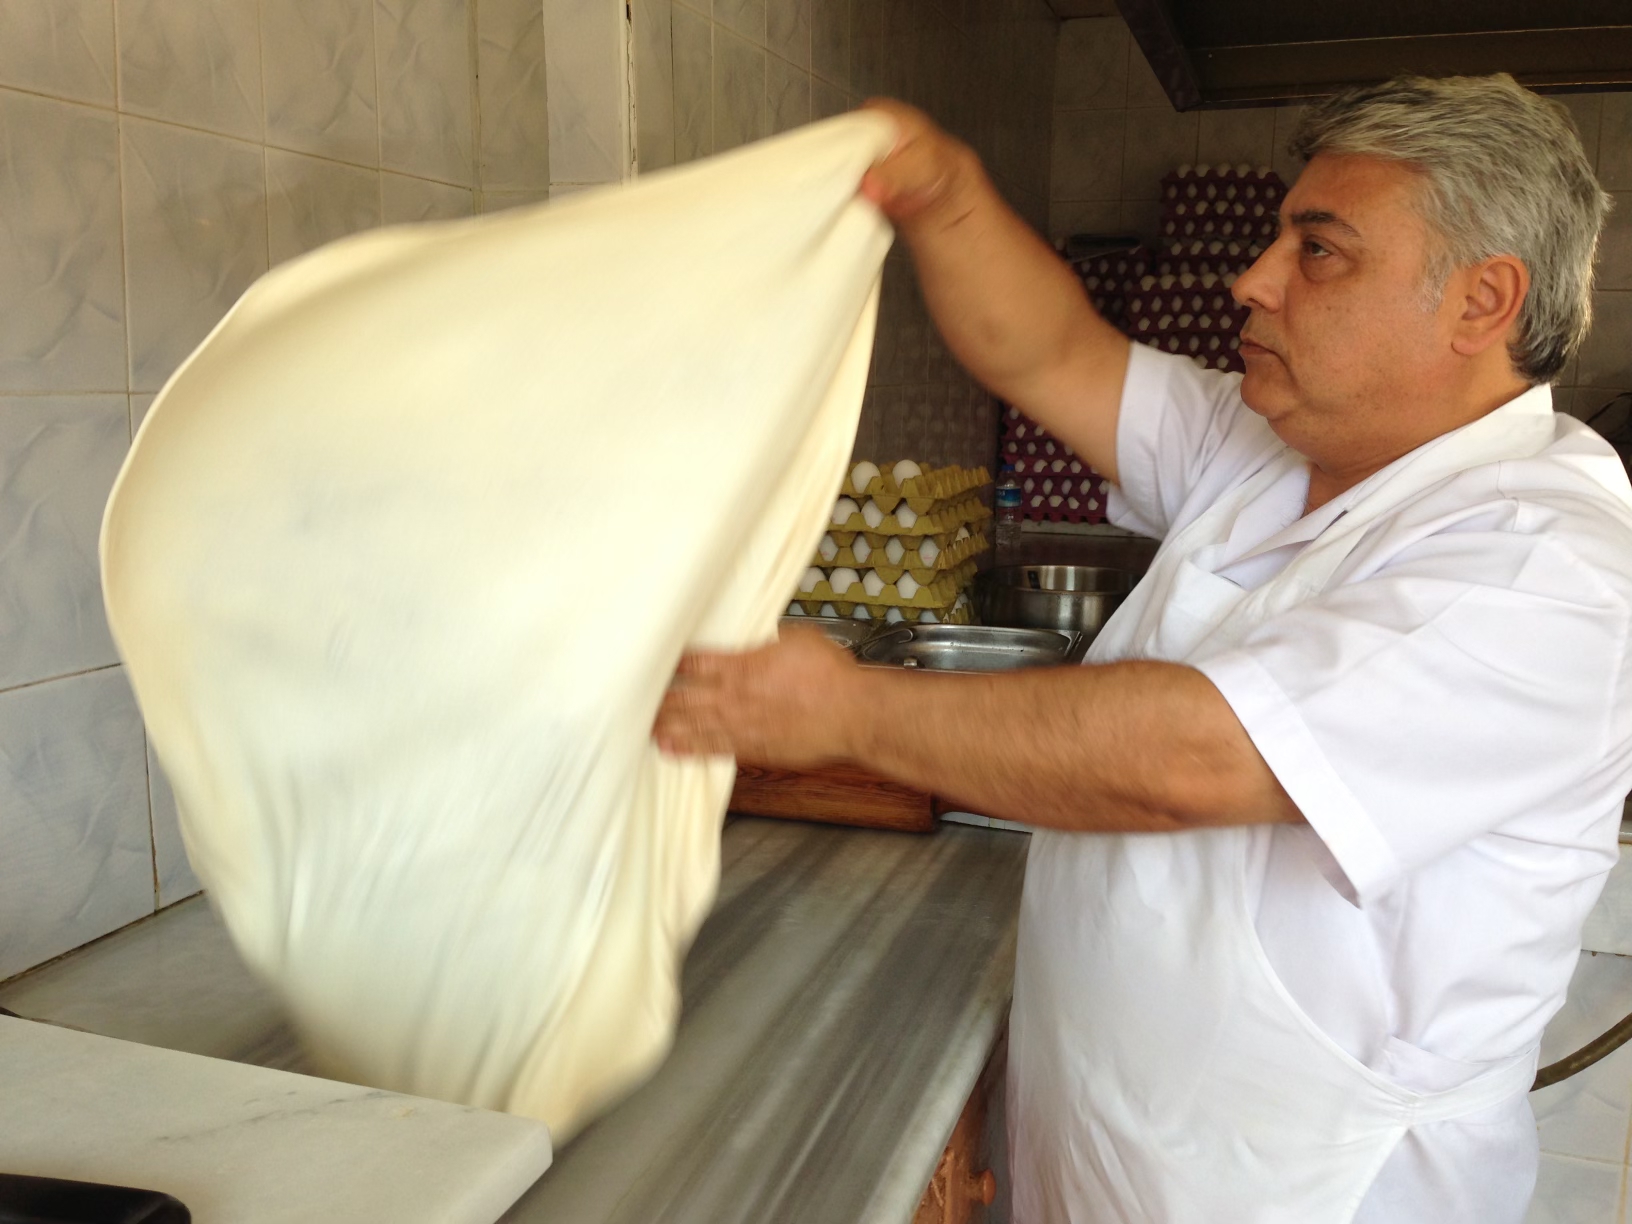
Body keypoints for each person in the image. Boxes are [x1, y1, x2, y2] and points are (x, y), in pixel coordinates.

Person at [654, 75, 1632, 1223]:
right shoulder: (1273, 445)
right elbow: (1050, 352)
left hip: (1307, 1189)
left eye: (1318, 253)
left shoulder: (1541, 552)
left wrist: (848, 711)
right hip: (1127, 1146)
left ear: (1482, 302)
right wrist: (942, 191)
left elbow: (1194, 760)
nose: (1252, 280)